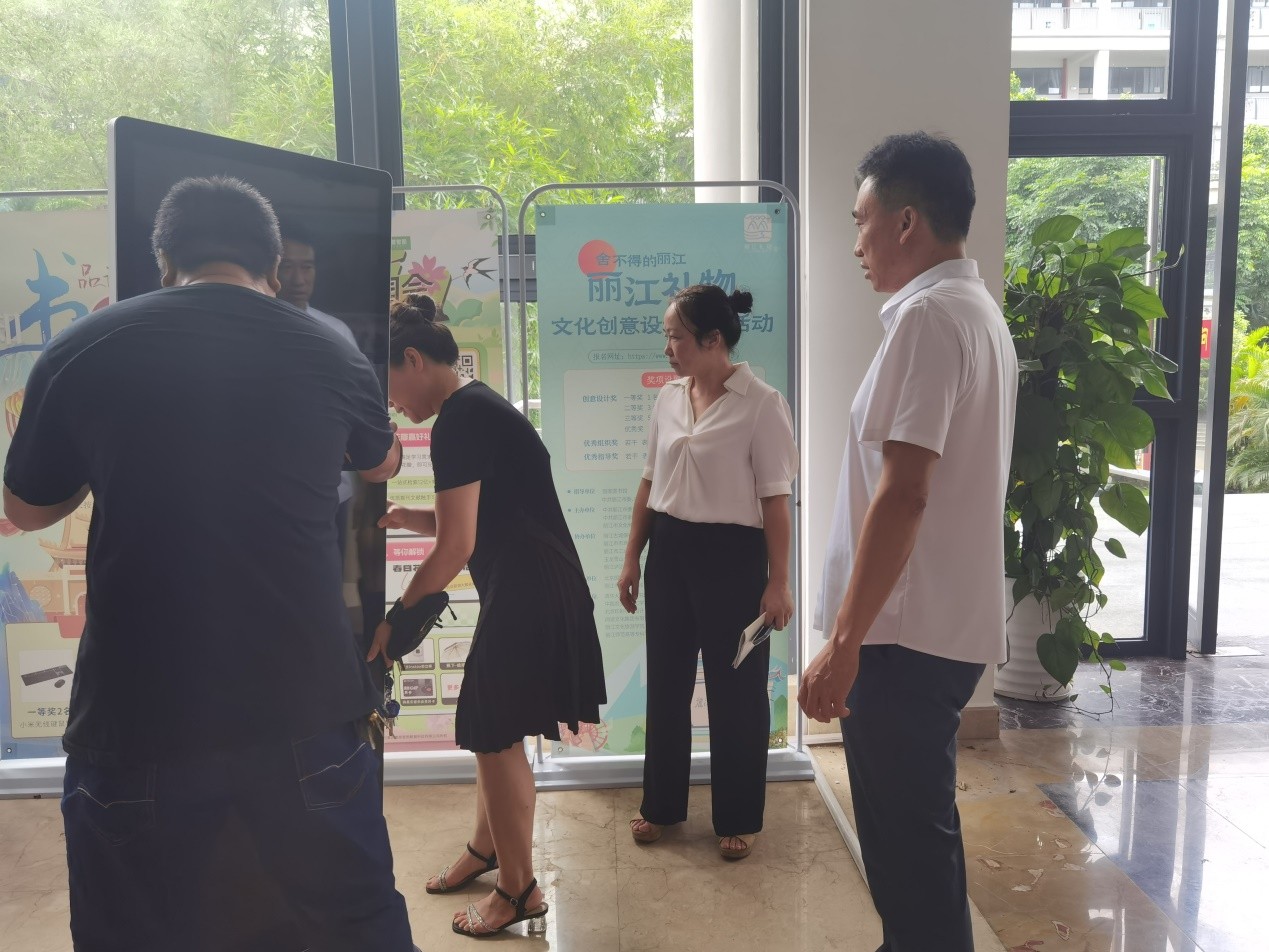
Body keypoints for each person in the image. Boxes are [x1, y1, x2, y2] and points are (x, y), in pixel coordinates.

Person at [2, 175, 416, 952]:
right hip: (302, 704)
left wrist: (106, 461)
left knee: (132, 931)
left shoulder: (83, 347)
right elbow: (381, 461)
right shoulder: (329, 349)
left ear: (165, 262)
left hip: (138, 711)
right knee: (353, 926)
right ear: (273, 265)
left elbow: (25, 509)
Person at [798, 132, 1018, 952]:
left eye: (860, 221)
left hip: (901, 638)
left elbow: (905, 491)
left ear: (905, 222)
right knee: (913, 839)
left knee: (906, 847)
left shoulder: (929, 318)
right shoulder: (973, 311)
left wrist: (845, 641)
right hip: (931, 629)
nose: (855, 242)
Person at [367, 292, 606, 938]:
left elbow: (456, 546)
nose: (392, 404)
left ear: (413, 359)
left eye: (389, 385)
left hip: (530, 586)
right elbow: (483, 515)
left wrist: (397, 619)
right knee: (491, 725)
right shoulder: (474, 406)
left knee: (492, 729)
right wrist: (410, 517)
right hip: (536, 582)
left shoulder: (459, 419)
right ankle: (486, 849)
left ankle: (518, 889)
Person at [617, 284, 798, 861]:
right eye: (667, 336)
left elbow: (776, 501)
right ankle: (661, 805)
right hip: (669, 551)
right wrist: (632, 556)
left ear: (713, 340)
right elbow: (650, 481)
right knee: (666, 682)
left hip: (735, 559)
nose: (667, 348)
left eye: (676, 337)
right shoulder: (669, 398)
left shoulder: (762, 404)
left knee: (737, 690)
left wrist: (778, 581)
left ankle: (738, 816)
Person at [278, 228, 359, 560]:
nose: (298, 278)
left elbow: (356, 411)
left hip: (331, 490)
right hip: (269, 491)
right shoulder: (247, 329)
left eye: (307, 267)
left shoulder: (337, 333)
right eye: (287, 267)